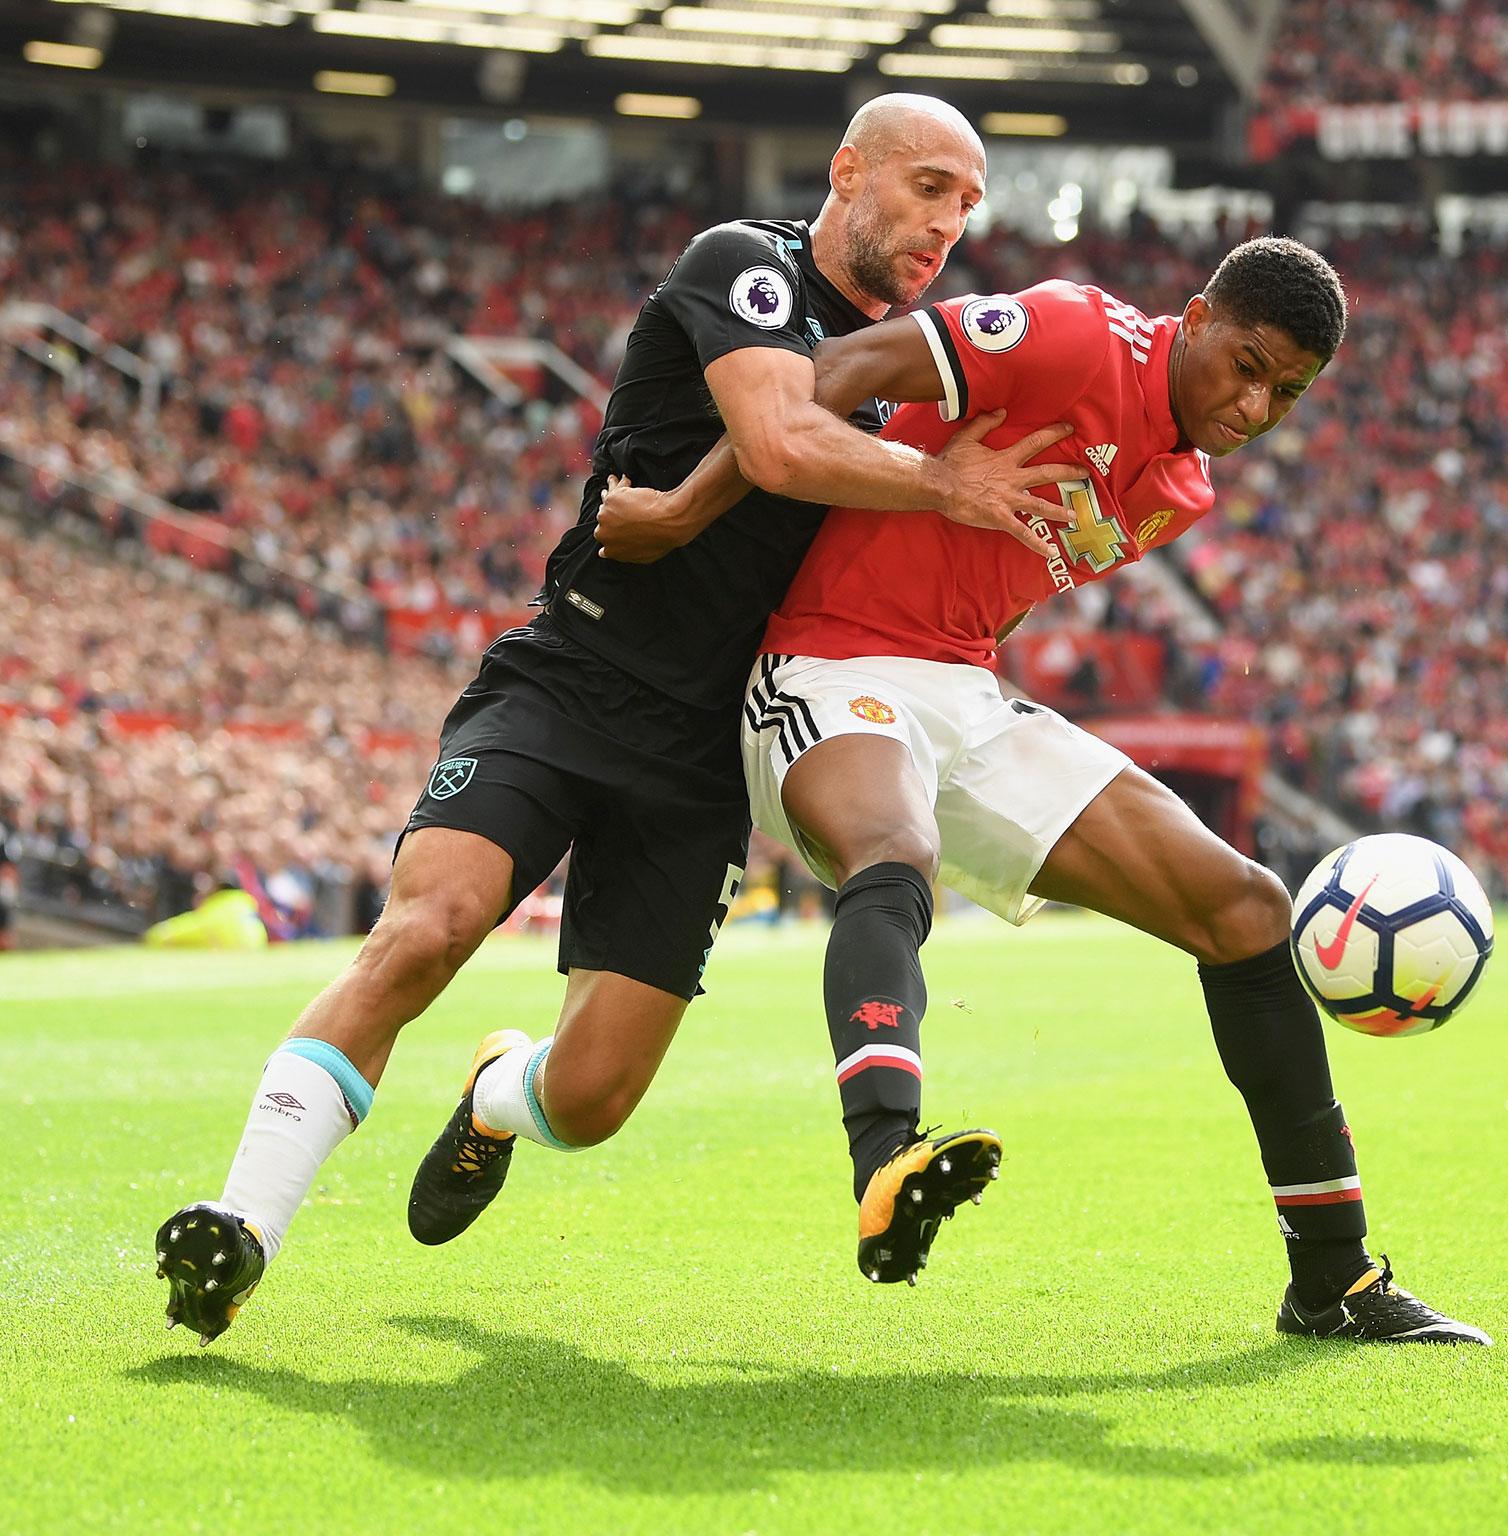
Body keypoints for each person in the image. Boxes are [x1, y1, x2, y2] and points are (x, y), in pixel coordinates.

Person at [152, 93, 1084, 1346]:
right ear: (846, 171)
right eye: (926, 186)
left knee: (588, 1100)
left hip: (709, 756)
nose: (947, 222)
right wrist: (940, 483)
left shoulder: (914, 363)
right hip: (572, 679)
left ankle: (496, 1092)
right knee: (426, 929)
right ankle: (241, 1227)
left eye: (968, 204)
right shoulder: (743, 265)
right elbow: (774, 429)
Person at [595, 237, 1491, 1343]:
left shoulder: (1182, 490)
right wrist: (689, 508)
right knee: (892, 848)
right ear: (1196, 314)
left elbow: (1007, 580)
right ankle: (886, 1157)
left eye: (1289, 393)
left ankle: (1333, 1280)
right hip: (827, 664)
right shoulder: (1072, 333)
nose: (1256, 407)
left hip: (966, 695)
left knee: (1248, 911)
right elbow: (834, 374)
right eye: (1246, 365)